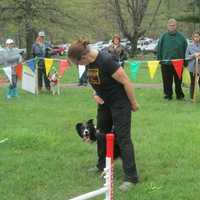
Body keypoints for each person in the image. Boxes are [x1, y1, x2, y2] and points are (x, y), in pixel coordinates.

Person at [68, 39, 139, 191]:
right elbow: (95, 83)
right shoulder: (88, 64)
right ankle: (102, 166)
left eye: (76, 63)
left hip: (120, 103)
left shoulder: (106, 61)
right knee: (101, 134)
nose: (78, 66)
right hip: (104, 104)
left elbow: (126, 81)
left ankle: (131, 178)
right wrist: (95, 94)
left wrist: (133, 103)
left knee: (123, 138)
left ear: (84, 57)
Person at [157, 18, 187, 100]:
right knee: (167, 81)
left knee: (178, 81)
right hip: (166, 63)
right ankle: (168, 95)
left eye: (173, 25)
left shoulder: (181, 37)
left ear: (176, 26)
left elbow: (186, 49)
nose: (172, 27)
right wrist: (159, 59)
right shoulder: (163, 37)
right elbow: (159, 48)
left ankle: (179, 95)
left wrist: (186, 62)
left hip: (179, 63)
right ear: (167, 26)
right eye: (170, 25)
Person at [185, 32, 200, 100]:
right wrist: (193, 55)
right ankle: (192, 97)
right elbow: (186, 57)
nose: (196, 38)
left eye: (197, 36)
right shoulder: (189, 46)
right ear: (193, 37)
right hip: (192, 67)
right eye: (195, 36)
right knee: (193, 82)